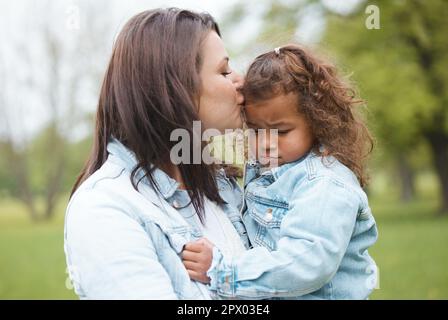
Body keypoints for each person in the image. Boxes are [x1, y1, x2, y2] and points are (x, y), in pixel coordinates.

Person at [64, 8, 248, 299]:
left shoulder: (223, 186)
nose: (241, 82)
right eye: (224, 71)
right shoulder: (105, 208)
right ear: (175, 88)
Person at [182, 44, 379, 299]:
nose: (266, 142)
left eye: (282, 131)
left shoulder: (324, 183)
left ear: (317, 122)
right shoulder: (272, 168)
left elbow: (305, 265)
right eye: (254, 130)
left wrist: (222, 271)